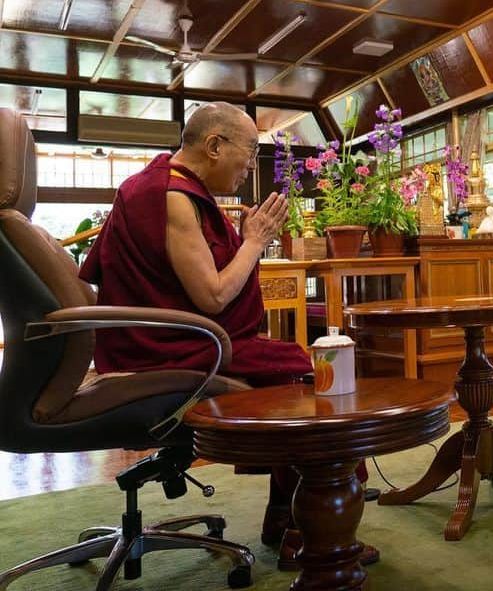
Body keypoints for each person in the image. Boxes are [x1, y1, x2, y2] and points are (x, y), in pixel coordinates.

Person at [78, 102, 378, 568]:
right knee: (311, 382)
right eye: (250, 151)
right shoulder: (172, 196)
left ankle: (285, 516)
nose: (250, 167)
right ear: (214, 145)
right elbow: (213, 297)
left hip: (166, 341)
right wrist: (255, 240)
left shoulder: (160, 187)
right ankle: (308, 531)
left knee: (293, 360)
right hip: (172, 352)